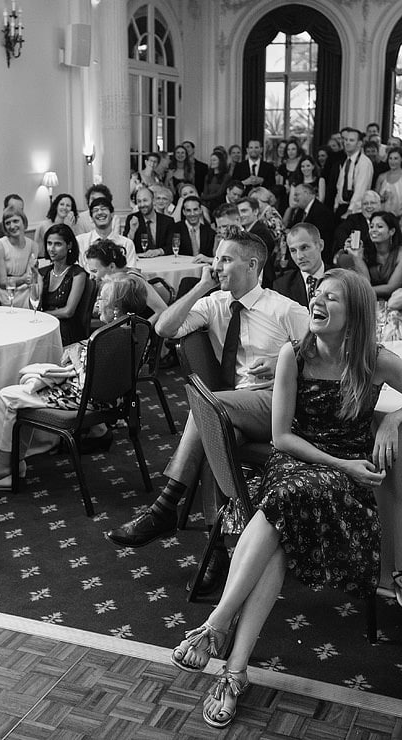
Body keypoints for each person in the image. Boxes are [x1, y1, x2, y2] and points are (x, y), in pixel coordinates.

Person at [171, 269, 402, 729]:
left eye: (331, 298)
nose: (317, 301)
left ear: (353, 314)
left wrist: (392, 422)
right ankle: (231, 665)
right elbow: (281, 438)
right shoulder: (293, 356)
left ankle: (222, 637)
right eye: (317, 293)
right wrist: (342, 463)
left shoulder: (376, 360)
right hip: (300, 462)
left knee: (278, 518)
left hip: (346, 479)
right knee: (285, 509)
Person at [106, 231, 310, 562]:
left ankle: (165, 508)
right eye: (216, 258)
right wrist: (201, 286)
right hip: (234, 408)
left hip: (277, 404)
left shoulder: (284, 310)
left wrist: (281, 367)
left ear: (252, 265)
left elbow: (323, 355)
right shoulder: (212, 304)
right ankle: (217, 547)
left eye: (226, 260)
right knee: (216, 429)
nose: (216, 265)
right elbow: (164, 329)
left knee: (206, 407)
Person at [0, 275, 146, 490]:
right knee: (27, 386)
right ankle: (13, 466)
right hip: (115, 400)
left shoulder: (103, 339)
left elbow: (85, 384)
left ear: (117, 308)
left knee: (7, 396)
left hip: (84, 402)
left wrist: (67, 366)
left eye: (102, 299)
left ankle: (0, 473)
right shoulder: (137, 330)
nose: (97, 303)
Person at [83, 238, 167, 319]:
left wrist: (143, 330)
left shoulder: (134, 280)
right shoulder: (109, 282)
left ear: (112, 266)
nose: (91, 276)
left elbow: (162, 310)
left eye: (94, 271)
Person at [35, 224, 89, 344]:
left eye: (57, 244)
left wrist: (43, 315)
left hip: (66, 330)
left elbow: (68, 311)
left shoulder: (78, 274)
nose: (52, 249)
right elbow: (35, 307)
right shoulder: (42, 273)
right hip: (45, 325)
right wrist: (34, 280)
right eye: (49, 243)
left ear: (69, 245)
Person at [341, 211, 402, 299]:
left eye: (379, 226)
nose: (374, 230)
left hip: (395, 300)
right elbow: (366, 282)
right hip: (368, 300)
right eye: (371, 226)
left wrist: (361, 291)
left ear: (391, 231)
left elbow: (392, 287)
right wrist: (357, 258)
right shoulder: (363, 251)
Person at [0, 207, 35, 308]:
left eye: (15, 221)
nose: (12, 226)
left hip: (27, 290)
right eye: (8, 223)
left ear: (23, 222)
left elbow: (31, 276)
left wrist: (28, 281)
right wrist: (23, 279)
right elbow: (2, 282)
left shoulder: (32, 245)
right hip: (7, 293)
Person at [76, 197, 137, 270]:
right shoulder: (80, 242)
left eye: (103, 209)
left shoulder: (126, 244)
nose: (100, 213)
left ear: (112, 214)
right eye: (95, 210)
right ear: (91, 218)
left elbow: (131, 274)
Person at [272, 223, 325, 307]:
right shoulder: (282, 286)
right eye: (293, 250)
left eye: (304, 248)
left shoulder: (342, 279)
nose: (299, 256)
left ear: (320, 245)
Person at [125, 186, 175, 256]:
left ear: (153, 201)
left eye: (145, 200)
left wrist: (158, 251)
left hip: (162, 262)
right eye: (139, 201)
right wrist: (132, 232)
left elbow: (172, 246)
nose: (142, 205)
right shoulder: (132, 219)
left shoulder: (167, 221)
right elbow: (125, 247)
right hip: (141, 263)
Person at [170, 195, 215, 260]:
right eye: (188, 210)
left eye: (195, 209)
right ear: (184, 212)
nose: (192, 214)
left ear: (200, 210)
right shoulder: (174, 229)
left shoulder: (209, 232)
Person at [375, 146, 402, 217]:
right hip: (382, 216)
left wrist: (399, 213)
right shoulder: (381, 177)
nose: (392, 161)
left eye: (396, 158)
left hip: (401, 216)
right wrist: (381, 198)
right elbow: (375, 198)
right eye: (390, 158)